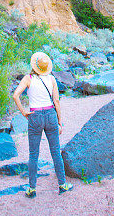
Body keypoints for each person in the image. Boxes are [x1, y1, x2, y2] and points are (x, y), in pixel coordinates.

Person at [12, 51, 73, 198]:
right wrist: (60, 122)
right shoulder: (52, 79)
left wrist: (24, 112)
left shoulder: (28, 78)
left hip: (35, 116)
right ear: (47, 67)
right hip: (50, 115)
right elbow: (56, 101)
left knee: (33, 154)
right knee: (55, 151)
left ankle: (32, 189)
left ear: (34, 65)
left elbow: (15, 95)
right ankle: (63, 185)